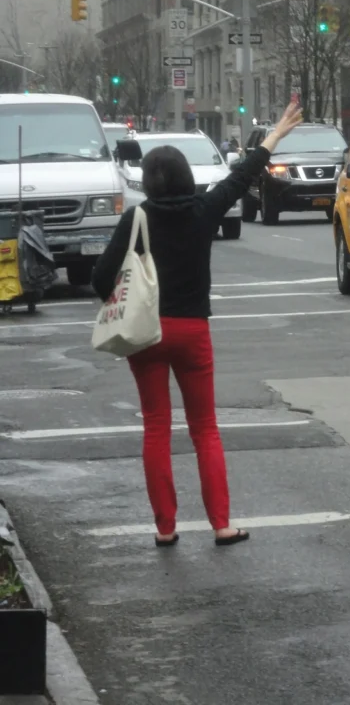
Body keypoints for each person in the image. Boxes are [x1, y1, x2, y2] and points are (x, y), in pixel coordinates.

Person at [92, 102, 303, 548]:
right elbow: (241, 176)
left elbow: (98, 280)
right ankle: (221, 524)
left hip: (145, 333)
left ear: (148, 181)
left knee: (155, 426)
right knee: (204, 427)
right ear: (187, 176)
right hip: (192, 332)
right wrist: (275, 135)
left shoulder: (137, 219)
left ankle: (165, 528)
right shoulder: (203, 211)